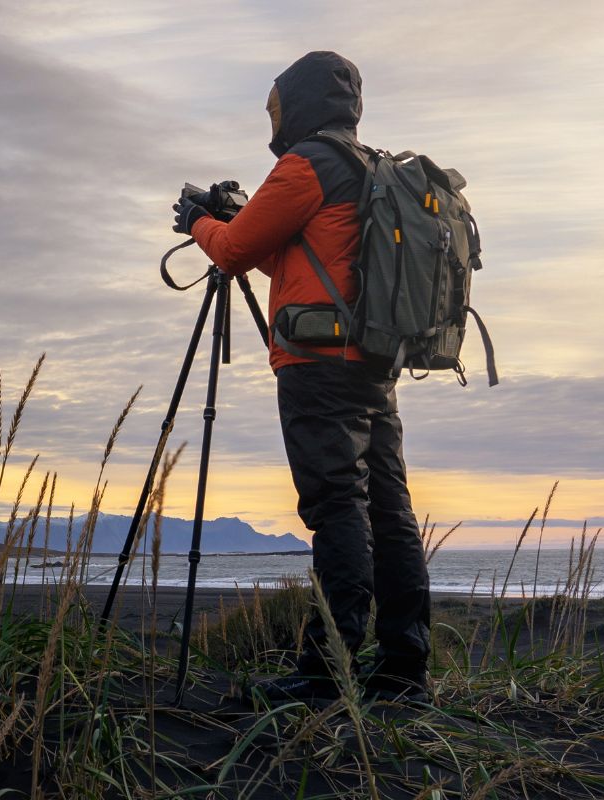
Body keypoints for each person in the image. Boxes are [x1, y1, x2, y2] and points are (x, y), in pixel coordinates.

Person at [171, 51, 431, 703]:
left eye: (277, 104)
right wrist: (232, 224)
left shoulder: (305, 165)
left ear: (300, 103)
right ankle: (403, 666)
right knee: (389, 510)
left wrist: (198, 222)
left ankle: (327, 671)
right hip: (372, 363)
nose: (274, 117)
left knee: (336, 504)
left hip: (318, 366)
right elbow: (299, 265)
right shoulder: (366, 166)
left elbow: (233, 252)